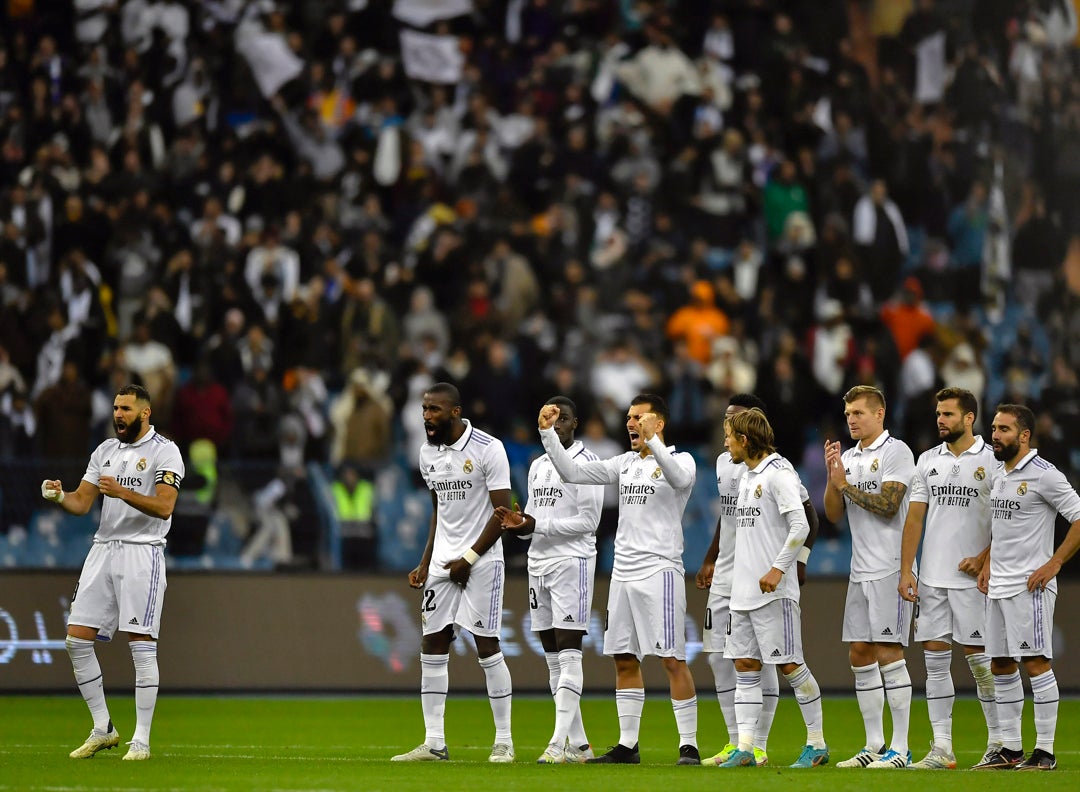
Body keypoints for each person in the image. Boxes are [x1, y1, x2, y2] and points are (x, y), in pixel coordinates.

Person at [537, 393, 699, 765]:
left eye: (639, 417)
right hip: (623, 571)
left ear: (658, 424)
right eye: (629, 417)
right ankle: (628, 746)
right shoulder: (624, 463)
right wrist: (547, 434)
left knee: (672, 658)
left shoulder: (680, 460)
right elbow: (572, 472)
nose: (631, 423)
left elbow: (678, 478)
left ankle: (688, 745)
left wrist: (654, 443)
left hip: (661, 569)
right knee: (623, 657)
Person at [40, 384, 184, 761]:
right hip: (103, 548)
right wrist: (59, 496)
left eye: (126, 408)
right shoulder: (105, 450)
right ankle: (103, 727)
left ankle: (142, 741)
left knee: (141, 646)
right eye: (116, 407)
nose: (118, 414)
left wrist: (123, 493)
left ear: (145, 413)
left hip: (142, 553)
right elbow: (82, 501)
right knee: (76, 639)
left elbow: (165, 507)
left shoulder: (165, 451)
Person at [391, 382, 516, 763]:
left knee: (486, 645)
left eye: (434, 410)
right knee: (433, 644)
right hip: (443, 564)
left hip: (482, 561)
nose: (427, 416)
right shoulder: (427, 453)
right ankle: (434, 742)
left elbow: (504, 513)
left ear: (455, 412)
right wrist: (426, 561)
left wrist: (470, 558)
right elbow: (438, 509)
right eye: (424, 409)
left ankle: (505, 741)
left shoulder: (488, 448)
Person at [697, 393, 820, 767]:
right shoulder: (748, 476)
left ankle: (817, 743)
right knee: (745, 666)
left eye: (729, 437)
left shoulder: (778, 473)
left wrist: (780, 568)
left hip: (773, 591)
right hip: (742, 591)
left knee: (790, 666)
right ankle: (747, 748)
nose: (725, 444)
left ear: (745, 440)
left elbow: (801, 523)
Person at [972, 404, 1080, 771]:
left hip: (1028, 586)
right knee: (1001, 664)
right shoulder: (1000, 475)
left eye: (1003, 429)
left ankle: (1046, 752)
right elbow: (1002, 528)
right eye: (994, 428)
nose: (995, 435)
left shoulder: (1045, 475)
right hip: (998, 585)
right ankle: (1011, 750)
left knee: (1035, 661)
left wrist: (1055, 562)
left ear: (1024, 435)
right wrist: (987, 563)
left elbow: (1079, 517)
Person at [496, 396, 603, 764]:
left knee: (570, 653)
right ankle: (582, 746)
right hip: (537, 563)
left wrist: (537, 525)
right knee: (553, 660)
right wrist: (520, 526)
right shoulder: (538, 464)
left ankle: (557, 744)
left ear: (576, 423)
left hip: (572, 562)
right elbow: (533, 517)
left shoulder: (589, 464)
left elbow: (589, 523)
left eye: (564, 419)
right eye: (551, 419)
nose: (557, 425)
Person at [898, 387, 999, 769]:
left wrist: (985, 558)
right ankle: (942, 748)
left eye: (948, 415)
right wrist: (908, 569)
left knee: (981, 662)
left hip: (974, 581)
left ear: (969, 418)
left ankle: (999, 742)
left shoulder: (992, 461)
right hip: (933, 579)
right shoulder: (927, 461)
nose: (940, 420)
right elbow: (915, 517)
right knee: (935, 663)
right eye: (938, 414)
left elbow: (1006, 518)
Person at [824, 385, 916, 769]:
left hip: (890, 567)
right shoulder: (849, 456)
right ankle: (875, 744)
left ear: (879, 414)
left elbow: (889, 504)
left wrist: (846, 485)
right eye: (848, 415)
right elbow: (833, 514)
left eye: (859, 413)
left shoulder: (896, 451)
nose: (852, 420)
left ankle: (902, 747)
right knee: (860, 652)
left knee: (889, 653)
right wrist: (833, 479)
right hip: (860, 569)